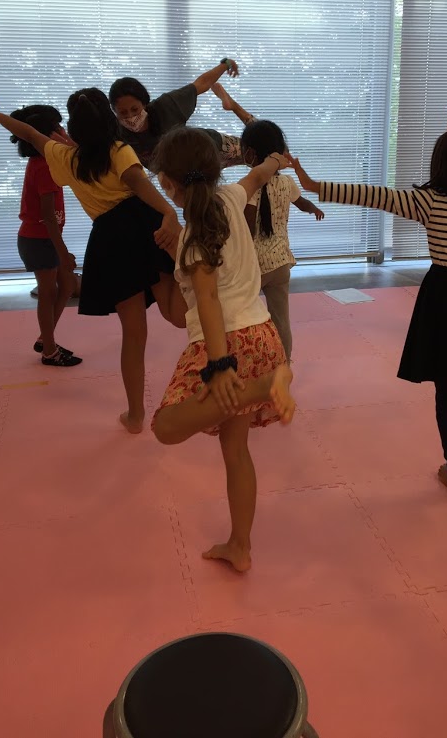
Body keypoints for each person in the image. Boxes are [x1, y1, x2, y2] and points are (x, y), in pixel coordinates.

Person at [290, 127, 447, 499]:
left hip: (445, 308)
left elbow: (378, 197)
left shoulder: (432, 202)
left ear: (444, 166)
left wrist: (316, 186)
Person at [0, 91, 187, 432]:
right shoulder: (119, 151)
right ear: (110, 120)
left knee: (133, 334)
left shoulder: (68, 158)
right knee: (177, 315)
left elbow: (30, 134)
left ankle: (135, 416)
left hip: (110, 242)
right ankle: (215, 299)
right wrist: (169, 213)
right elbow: (139, 185)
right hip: (145, 228)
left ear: (74, 129)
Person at [150, 127, 295, 573]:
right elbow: (259, 174)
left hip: (227, 345)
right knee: (236, 451)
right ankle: (240, 545)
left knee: (166, 428)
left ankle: (265, 387)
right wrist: (277, 160)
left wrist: (219, 365)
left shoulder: (195, 237)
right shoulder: (232, 197)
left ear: (169, 184)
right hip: (262, 336)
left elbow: (209, 300)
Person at [239, 116, 324, 362]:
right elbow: (301, 202)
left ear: (250, 154)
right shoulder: (286, 182)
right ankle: (284, 364)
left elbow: (247, 228)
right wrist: (314, 209)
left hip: (254, 267)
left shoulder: (250, 187)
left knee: (244, 319)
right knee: (281, 319)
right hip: (280, 262)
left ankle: (251, 363)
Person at [11, 104, 81, 367]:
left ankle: (45, 338)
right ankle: (49, 351)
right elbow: (48, 217)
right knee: (48, 292)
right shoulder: (43, 166)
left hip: (43, 239)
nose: (62, 131)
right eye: (57, 127)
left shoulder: (47, 162)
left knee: (68, 285)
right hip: (38, 240)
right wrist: (63, 252)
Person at [108, 58, 251, 173]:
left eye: (135, 109)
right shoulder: (118, 134)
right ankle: (231, 104)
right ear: (114, 112)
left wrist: (226, 64)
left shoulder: (165, 106)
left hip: (211, 147)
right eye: (123, 113)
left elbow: (200, 84)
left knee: (258, 150)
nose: (131, 117)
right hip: (186, 173)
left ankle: (232, 105)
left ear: (144, 103)